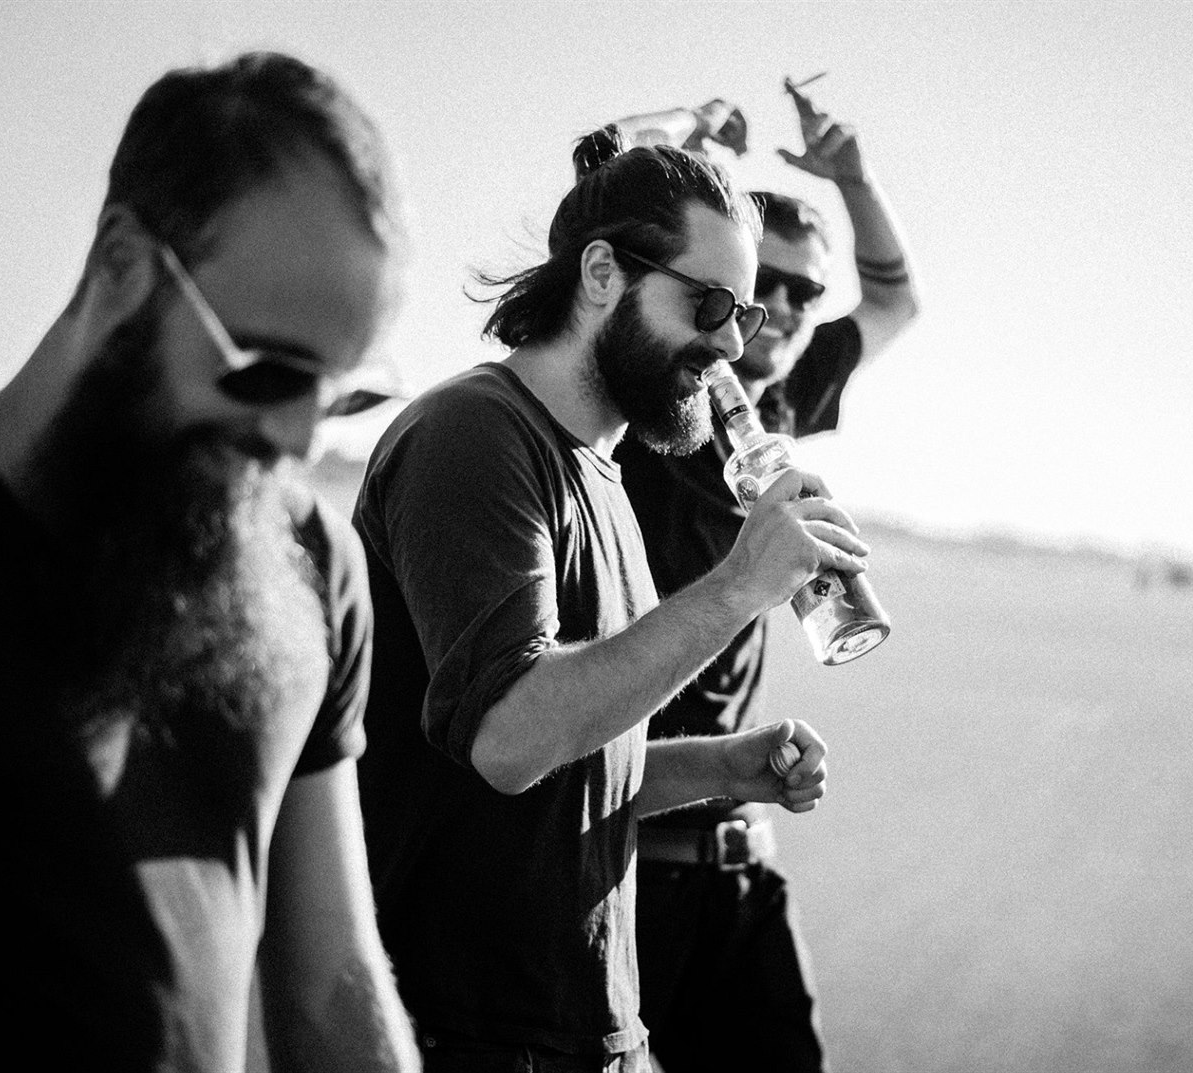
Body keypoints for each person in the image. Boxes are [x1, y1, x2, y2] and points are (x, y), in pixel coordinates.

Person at [0, 52, 421, 1071]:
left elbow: (331, 988)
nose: (296, 438)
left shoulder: (311, 562)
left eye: (341, 395)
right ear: (122, 261)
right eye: (267, 370)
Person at [354, 129, 866, 1071]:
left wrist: (716, 765)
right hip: (472, 1032)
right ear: (601, 274)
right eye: (710, 303)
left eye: (747, 314)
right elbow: (511, 739)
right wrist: (740, 585)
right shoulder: (474, 434)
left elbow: (568, 768)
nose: (732, 342)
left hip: (595, 1033)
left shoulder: (606, 475)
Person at [609, 81, 921, 1073]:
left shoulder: (779, 405)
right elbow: (603, 177)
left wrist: (854, 177)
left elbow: (896, 302)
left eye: (803, 294)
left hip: (740, 864)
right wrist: (691, 134)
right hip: (632, 862)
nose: (783, 310)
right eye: (764, 287)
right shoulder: (658, 391)